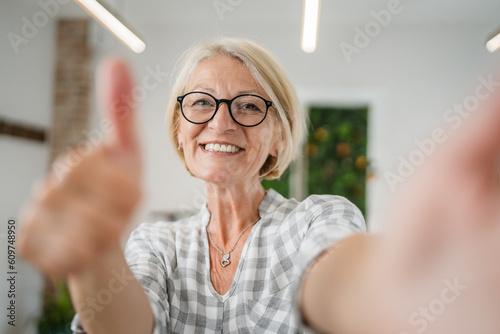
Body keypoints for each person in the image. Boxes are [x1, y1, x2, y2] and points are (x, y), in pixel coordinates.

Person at [18, 37, 500, 334]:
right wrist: (96, 255)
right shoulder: (158, 242)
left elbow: (337, 277)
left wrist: (397, 292)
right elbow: (126, 328)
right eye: (201, 103)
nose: (221, 122)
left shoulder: (318, 217)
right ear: (180, 130)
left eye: (248, 106)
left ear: (279, 137)